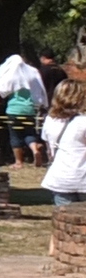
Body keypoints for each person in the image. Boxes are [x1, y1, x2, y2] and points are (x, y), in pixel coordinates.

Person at [0, 47, 49, 167]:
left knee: (15, 135)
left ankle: (19, 162)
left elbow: (2, 90)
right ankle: (35, 150)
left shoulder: (11, 76)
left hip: (14, 110)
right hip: (29, 110)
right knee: (29, 133)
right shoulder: (31, 74)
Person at [40, 79, 86, 208]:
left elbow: (49, 150)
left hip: (60, 177)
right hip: (82, 177)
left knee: (66, 221)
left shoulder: (50, 120)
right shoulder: (83, 122)